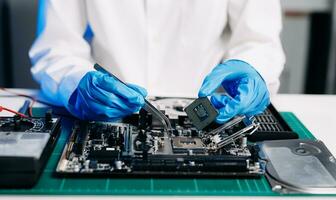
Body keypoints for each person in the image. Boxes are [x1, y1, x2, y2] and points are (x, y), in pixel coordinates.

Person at [30, 0, 285, 123]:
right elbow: (55, 47)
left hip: (204, 110)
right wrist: (76, 84)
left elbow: (259, 40)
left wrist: (255, 70)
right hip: (106, 113)